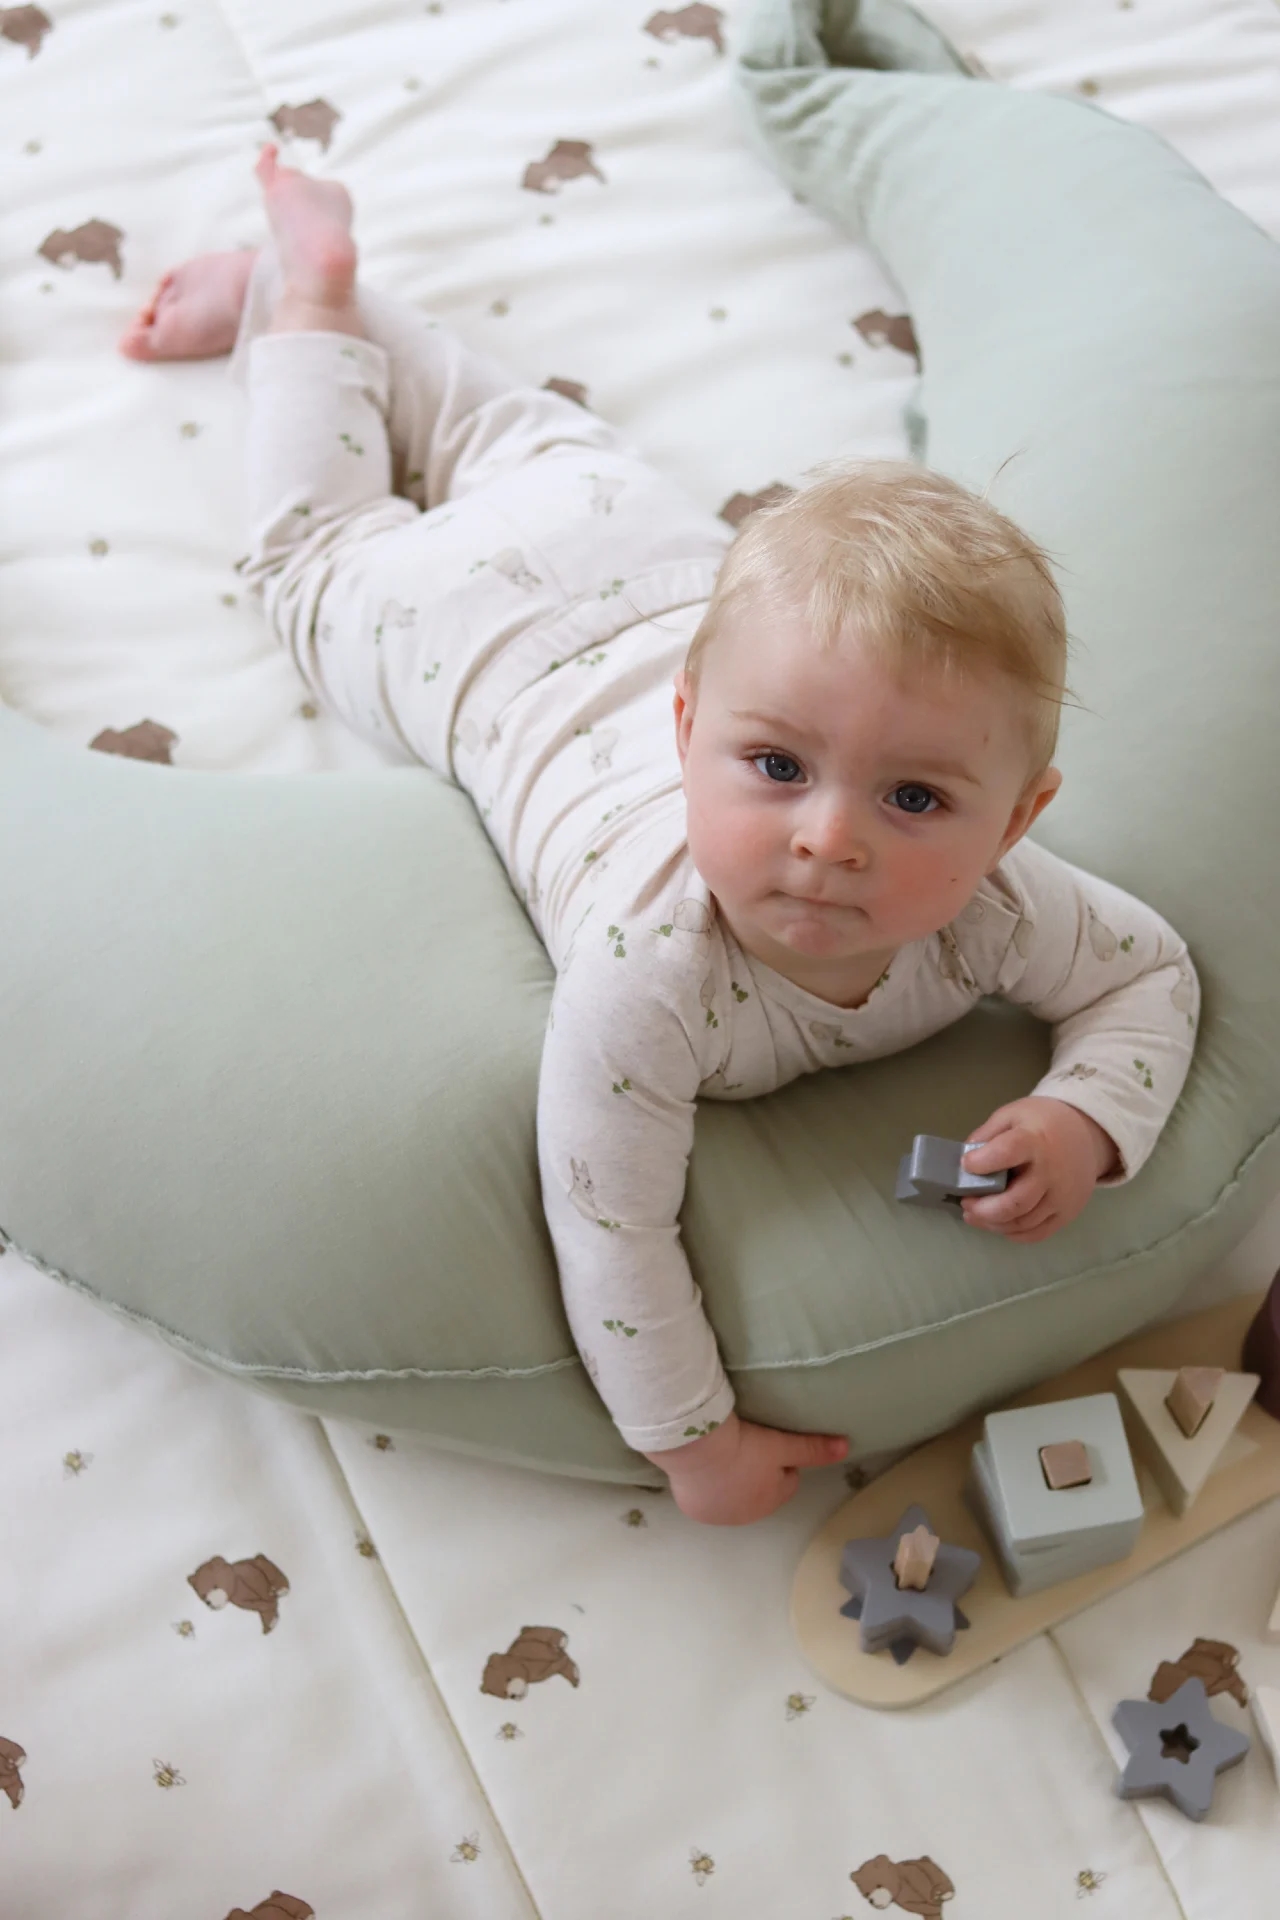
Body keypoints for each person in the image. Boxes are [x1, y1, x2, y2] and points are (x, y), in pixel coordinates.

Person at [120, 147, 1200, 1524]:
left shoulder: (1009, 907)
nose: (829, 841)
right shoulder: (648, 978)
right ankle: (311, 301)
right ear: (688, 729)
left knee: (512, 430)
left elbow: (1150, 975)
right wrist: (692, 1440)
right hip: (475, 635)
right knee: (311, 554)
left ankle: (305, 289)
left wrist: (1083, 1116)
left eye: (915, 800)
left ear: (1018, 821)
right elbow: (608, 1222)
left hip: (648, 549)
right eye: (775, 769)